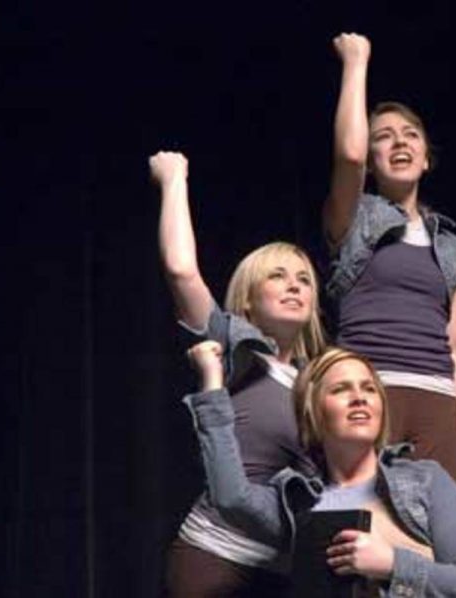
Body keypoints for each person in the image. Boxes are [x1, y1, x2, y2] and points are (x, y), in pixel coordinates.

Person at [185, 344, 456, 597]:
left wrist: (392, 563)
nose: (359, 398)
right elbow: (229, 497)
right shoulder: (297, 502)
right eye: (341, 390)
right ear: (314, 410)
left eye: (369, 389)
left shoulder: (426, 480)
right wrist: (212, 387)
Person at [149, 151, 326, 596]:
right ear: (248, 299)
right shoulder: (236, 348)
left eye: (304, 280)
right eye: (279, 277)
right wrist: (174, 179)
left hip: (281, 573)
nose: (294, 286)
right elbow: (181, 270)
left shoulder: (320, 380)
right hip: (213, 557)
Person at [324, 32, 456, 490]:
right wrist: (357, 63)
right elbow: (348, 155)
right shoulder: (354, 218)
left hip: (438, 403)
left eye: (410, 135)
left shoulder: (452, 247)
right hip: (371, 391)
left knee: (434, 542)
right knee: (367, 529)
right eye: (384, 137)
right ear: (372, 161)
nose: (400, 142)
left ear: (426, 158)